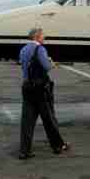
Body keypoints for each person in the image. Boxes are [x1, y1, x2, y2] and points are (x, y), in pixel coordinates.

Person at [18, 28, 69, 160]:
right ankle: (57, 145)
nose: (44, 38)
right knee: (48, 118)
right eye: (42, 36)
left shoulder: (23, 49)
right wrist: (51, 63)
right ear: (36, 37)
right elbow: (46, 67)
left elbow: (23, 65)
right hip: (40, 88)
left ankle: (24, 150)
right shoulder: (40, 49)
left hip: (27, 86)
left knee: (27, 121)